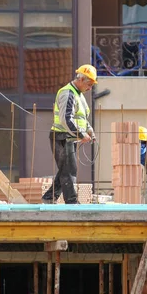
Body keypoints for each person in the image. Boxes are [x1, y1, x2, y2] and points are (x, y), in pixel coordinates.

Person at [42, 65, 97, 204]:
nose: (90, 88)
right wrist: (81, 134)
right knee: (69, 170)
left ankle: (49, 198)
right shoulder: (68, 93)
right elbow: (66, 119)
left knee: (65, 169)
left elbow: (81, 118)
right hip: (61, 136)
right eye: (89, 84)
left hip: (68, 137)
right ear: (81, 79)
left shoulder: (79, 95)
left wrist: (89, 130)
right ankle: (72, 202)